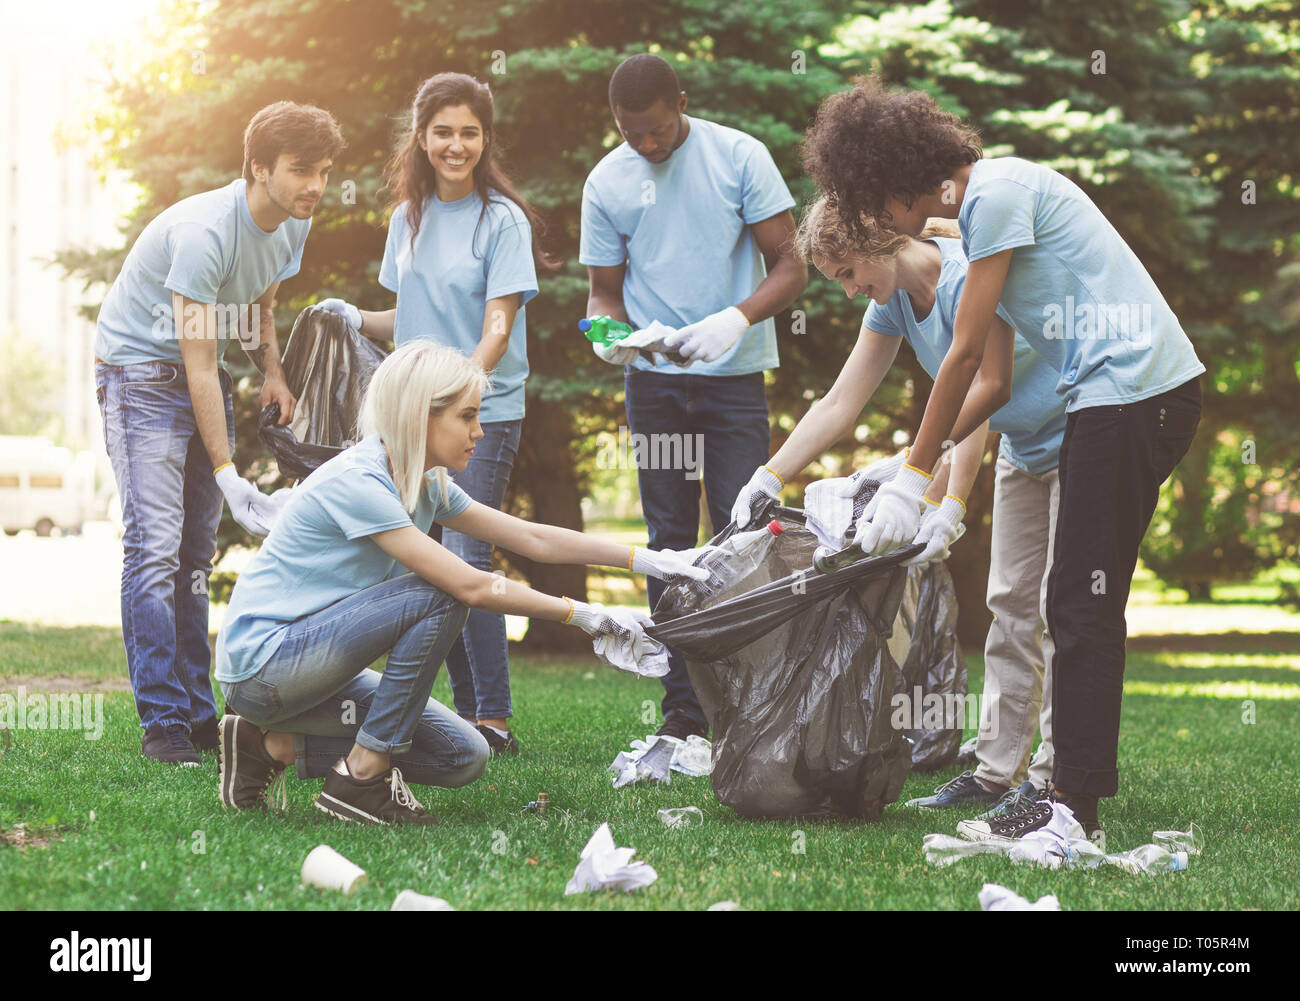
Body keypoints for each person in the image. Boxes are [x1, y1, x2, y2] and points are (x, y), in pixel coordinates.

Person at [802, 77, 1205, 839]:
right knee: (1071, 603)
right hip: (1113, 398)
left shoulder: (994, 196)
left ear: (893, 181)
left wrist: (918, 477)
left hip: (1133, 393)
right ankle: (1060, 797)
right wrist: (910, 465)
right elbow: (993, 380)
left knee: (1080, 607)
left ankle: (1068, 808)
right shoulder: (978, 216)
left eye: (869, 201)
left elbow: (960, 354)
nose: (879, 224)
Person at [214, 341, 711, 825]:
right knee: (441, 593)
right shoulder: (360, 483)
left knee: (465, 754)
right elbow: (472, 587)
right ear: (420, 417)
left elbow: (533, 538)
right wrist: (584, 615)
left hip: (318, 670)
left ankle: (265, 746)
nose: (479, 430)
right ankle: (361, 778)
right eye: (467, 416)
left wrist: (652, 561)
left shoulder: (426, 484)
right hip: (265, 668)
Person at [734, 199, 1067, 816]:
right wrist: (770, 472)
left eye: (851, 272)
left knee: (1060, 606)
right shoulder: (890, 304)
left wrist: (948, 500)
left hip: (1081, 434)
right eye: (839, 281)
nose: (854, 289)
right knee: (1011, 606)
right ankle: (996, 775)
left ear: (880, 240)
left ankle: (1053, 780)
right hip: (1024, 446)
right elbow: (840, 403)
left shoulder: (970, 274)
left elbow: (980, 385)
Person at [93, 102, 345, 766]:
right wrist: (229, 472)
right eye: (300, 170)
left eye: (322, 171)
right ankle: (164, 720)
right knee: (154, 549)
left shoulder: (294, 219)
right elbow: (199, 363)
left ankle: (201, 714)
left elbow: (261, 295)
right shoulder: (205, 231)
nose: (315, 185)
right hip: (139, 376)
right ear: (258, 167)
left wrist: (273, 370)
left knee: (195, 559)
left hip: (196, 376)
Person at [320, 73, 555, 756]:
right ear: (421, 138)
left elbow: (497, 327)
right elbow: (408, 317)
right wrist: (352, 315)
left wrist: (460, 393)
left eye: (470, 132)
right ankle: (471, 712)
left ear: (485, 139)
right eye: (444, 132)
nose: (457, 145)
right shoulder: (408, 218)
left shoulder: (502, 220)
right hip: (414, 417)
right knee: (428, 561)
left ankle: (496, 719)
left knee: (464, 551)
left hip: (482, 410)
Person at [580, 53, 807, 741]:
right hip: (654, 386)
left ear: (680, 102)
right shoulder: (606, 181)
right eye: (631, 134)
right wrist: (611, 338)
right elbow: (602, 295)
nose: (646, 145)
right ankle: (683, 714)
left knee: (742, 539)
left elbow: (793, 264)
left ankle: (755, 700)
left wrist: (735, 318)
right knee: (669, 543)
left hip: (734, 381)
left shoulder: (739, 156)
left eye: (656, 129)